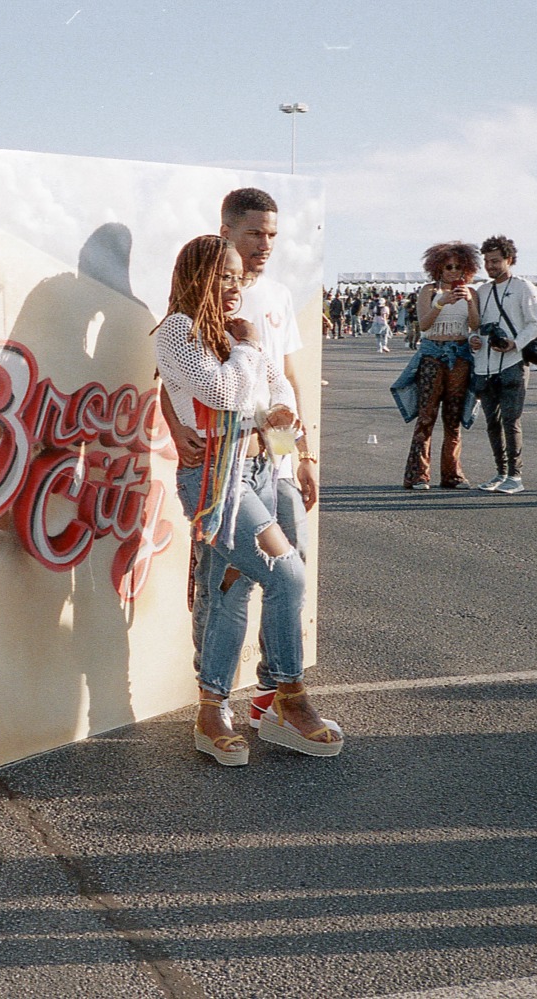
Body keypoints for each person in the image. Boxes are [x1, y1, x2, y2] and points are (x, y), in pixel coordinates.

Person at [153, 234, 340, 766]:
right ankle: (289, 697)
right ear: (195, 278)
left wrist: (289, 445)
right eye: (222, 276)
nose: (234, 286)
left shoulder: (237, 334)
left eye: (237, 277)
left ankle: (213, 713)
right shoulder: (177, 332)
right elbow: (223, 395)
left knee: (228, 590)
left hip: (260, 469)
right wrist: (250, 348)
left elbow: (275, 396)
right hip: (217, 480)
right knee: (287, 574)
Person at [392, 242, 481, 489]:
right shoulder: (428, 291)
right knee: (426, 416)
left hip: (460, 357)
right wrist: (442, 302)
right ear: (438, 268)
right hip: (433, 356)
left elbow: (475, 325)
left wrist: (469, 302)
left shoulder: (471, 292)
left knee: (453, 419)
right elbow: (424, 325)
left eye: (458, 267)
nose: (453, 271)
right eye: (448, 266)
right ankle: (418, 474)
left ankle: (452, 474)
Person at [468, 234, 537, 495]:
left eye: (496, 261)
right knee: (492, 422)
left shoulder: (524, 287)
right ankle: (500, 472)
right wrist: (474, 339)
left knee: (511, 421)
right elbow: (474, 326)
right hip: (485, 366)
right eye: (487, 261)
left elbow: (536, 323)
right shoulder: (482, 291)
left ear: (509, 260)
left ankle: (516, 476)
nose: (491, 266)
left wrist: (514, 343)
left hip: (512, 363)